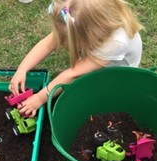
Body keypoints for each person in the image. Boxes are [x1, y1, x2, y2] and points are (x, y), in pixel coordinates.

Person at [9, 0, 143, 117]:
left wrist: (39, 98)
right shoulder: (83, 16)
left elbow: (73, 74)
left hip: (117, 75)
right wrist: (22, 69)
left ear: (88, 36)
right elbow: (48, 43)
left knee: (100, 101)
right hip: (102, 57)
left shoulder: (116, 43)